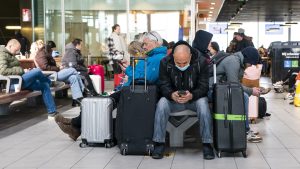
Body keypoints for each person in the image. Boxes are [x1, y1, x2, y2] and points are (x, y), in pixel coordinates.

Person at [55, 31, 167, 141]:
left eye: (146, 44)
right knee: (100, 103)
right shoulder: (152, 57)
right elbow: (141, 76)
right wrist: (129, 69)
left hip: (138, 94)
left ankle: (75, 125)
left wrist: (128, 69)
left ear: (156, 42)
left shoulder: (158, 59)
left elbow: (145, 79)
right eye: (143, 44)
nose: (144, 47)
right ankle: (76, 127)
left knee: (102, 104)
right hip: (133, 91)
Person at [152, 40, 214, 160]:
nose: (181, 66)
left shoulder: (201, 62)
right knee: (162, 104)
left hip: (194, 100)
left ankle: (207, 144)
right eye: (178, 63)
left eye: (184, 62)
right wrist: (171, 94)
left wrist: (192, 95)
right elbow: (163, 84)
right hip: (173, 100)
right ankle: (159, 143)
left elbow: (204, 86)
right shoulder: (165, 62)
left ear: (190, 56)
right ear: (173, 56)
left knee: (203, 104)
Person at [208, 46, 263, 143]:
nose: (250, 66)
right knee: (244, 97)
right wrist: (251, 91)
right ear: (246, 58)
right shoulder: (233, 62)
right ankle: (245, 131)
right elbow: (234, 86)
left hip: (219, 89)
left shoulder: (236, 60)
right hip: (212, 91)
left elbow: (234, 84)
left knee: (243, 95)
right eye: (251, 63)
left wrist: (250, 90)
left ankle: (241, 128)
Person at [0, 39, 59, 117]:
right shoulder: (2, 54)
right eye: (16, 49)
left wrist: (24, 71)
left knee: (44, 85)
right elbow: (3, 71)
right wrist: (21, 70)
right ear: (10, 46)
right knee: (37, 71)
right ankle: (50, 82)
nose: (18, 51)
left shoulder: (10, 54)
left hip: (20, 80)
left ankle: (52, 112)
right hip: (14, 83)